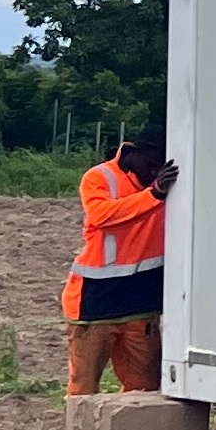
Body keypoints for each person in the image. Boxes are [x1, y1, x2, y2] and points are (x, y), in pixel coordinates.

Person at [66, 130, 175, 396]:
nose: (156, 169)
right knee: (84, 388)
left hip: (141, 304)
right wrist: (154, 194)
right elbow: (101, 215)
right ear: (132, 151)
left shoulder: (168, 185)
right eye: (153, 162)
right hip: (95, 302)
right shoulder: (99, 177)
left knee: (145, 389)